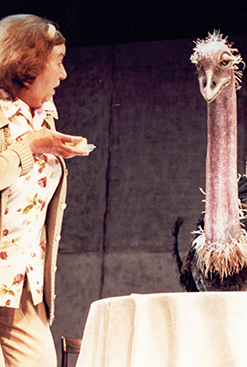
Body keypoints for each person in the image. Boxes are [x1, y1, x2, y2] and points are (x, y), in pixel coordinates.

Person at [0, 14, 91, 367]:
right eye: (58, 62)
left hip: (21, 280)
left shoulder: (41, 117)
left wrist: (48, 145)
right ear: (28, 63)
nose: (64, 74)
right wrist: (32, 146)